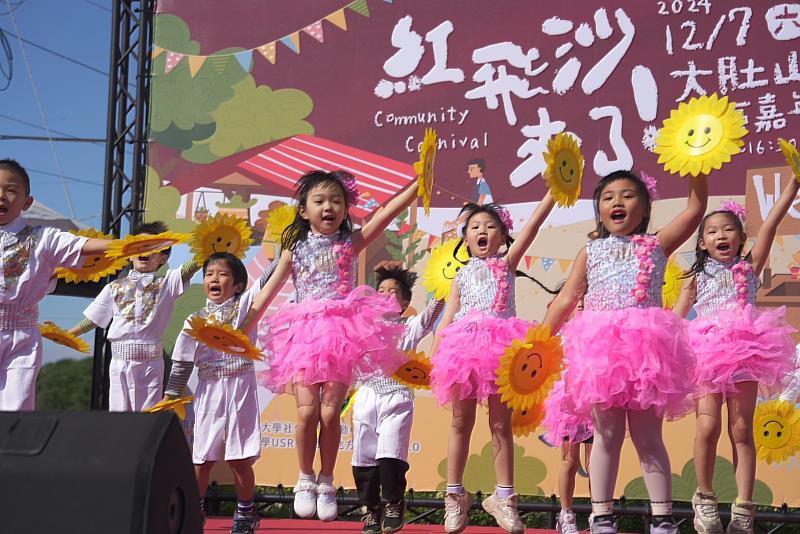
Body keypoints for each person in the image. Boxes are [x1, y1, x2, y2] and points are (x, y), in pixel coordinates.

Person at [243, 170, 419, 522]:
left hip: (342, 335)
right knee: (307, 413)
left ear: (345, 210)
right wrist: (242, 328)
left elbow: (385, 213)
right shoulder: (294, 251)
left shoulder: (349, 244)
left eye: (337, 201)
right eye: (320, 201)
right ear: (304, 210)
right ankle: (305, 477)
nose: (329, 207)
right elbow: (267, 293)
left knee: (328, 413)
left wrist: (418, 186)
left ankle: (327, 479)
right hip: (304, 337)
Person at [543, 170, 708, 534]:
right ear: (599, 210)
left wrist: (698, 167)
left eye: (628, 195)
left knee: (649, 437)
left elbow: (695, 211)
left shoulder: (655, 244)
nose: (617, 202)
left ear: (645, 207)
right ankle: (601, 516)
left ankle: (662, 517)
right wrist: (537, 342)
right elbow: (567, 298)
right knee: (606, 437)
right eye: (608, 197)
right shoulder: (590, 251)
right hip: (600, 354)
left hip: (646, 353)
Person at [674, 179, 799, 534]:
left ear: (740, 239)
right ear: (702, 243)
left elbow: (772, 223)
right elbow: (676, 318)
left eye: (729, 229)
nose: (721, 235)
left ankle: (744, 509)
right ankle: (705, 498)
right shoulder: (695, 277)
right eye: (712, 231)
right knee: (707, 425)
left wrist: (793, 185)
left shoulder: (748, 268)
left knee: (742, 429)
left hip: (745, 352)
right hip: (707, 354)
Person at [430, 193, 555, 534]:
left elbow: (533, 226)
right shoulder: (460, 275)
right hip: (464, 352)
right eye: (475, 227)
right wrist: (437, 353)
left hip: (503, 350)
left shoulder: (508, 263)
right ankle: (454, 496)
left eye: (490, 226)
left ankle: (504, 498)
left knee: (501, 425)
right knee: (460, 423)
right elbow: (447, 318)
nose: (482, 231)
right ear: (466, 237)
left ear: (502, 236)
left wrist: (551, 194)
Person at [163, 252, 276, 534]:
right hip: (209, 389)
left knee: (238, 458)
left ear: (238, 285)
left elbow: (270, 277)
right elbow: (181, 362)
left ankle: (246, 511)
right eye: (209, 274)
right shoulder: (195, 319)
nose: (214, 278)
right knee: (203, 458)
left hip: (239, 386)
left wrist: (290, 244)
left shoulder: (246, 305)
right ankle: (195, 509)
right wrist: (171, 394)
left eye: (223, 274)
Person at [0, 159, 114, 410]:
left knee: (15, 408)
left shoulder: (42, 237)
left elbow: (80, 245)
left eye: (11, 190)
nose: (2, 196)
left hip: (20, 334)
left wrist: (124, 246)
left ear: (27, 202)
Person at [353, 262, 445, 534]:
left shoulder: (410, 326)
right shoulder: (362, 328)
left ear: (405, 302)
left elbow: (430, 316)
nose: (386, 296)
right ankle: (371, 509)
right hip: (367, 397)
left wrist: (444, 284)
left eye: (393, 293)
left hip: (398, 397)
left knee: (390, 453)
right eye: (381, 291)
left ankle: (393, 503)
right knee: (364, 457)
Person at [68, 221, 199, 411]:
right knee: (119, 414)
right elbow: (94, 319)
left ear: (163, 257)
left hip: (150, 363)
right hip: (119, 361)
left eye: (151, 247)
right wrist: (68, 335)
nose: (144, 250)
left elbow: (190, 268)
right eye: (139, 245)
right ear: (129, 253)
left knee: (147, 414)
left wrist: (208, 247)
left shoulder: (168, 283)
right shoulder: (113, 287)